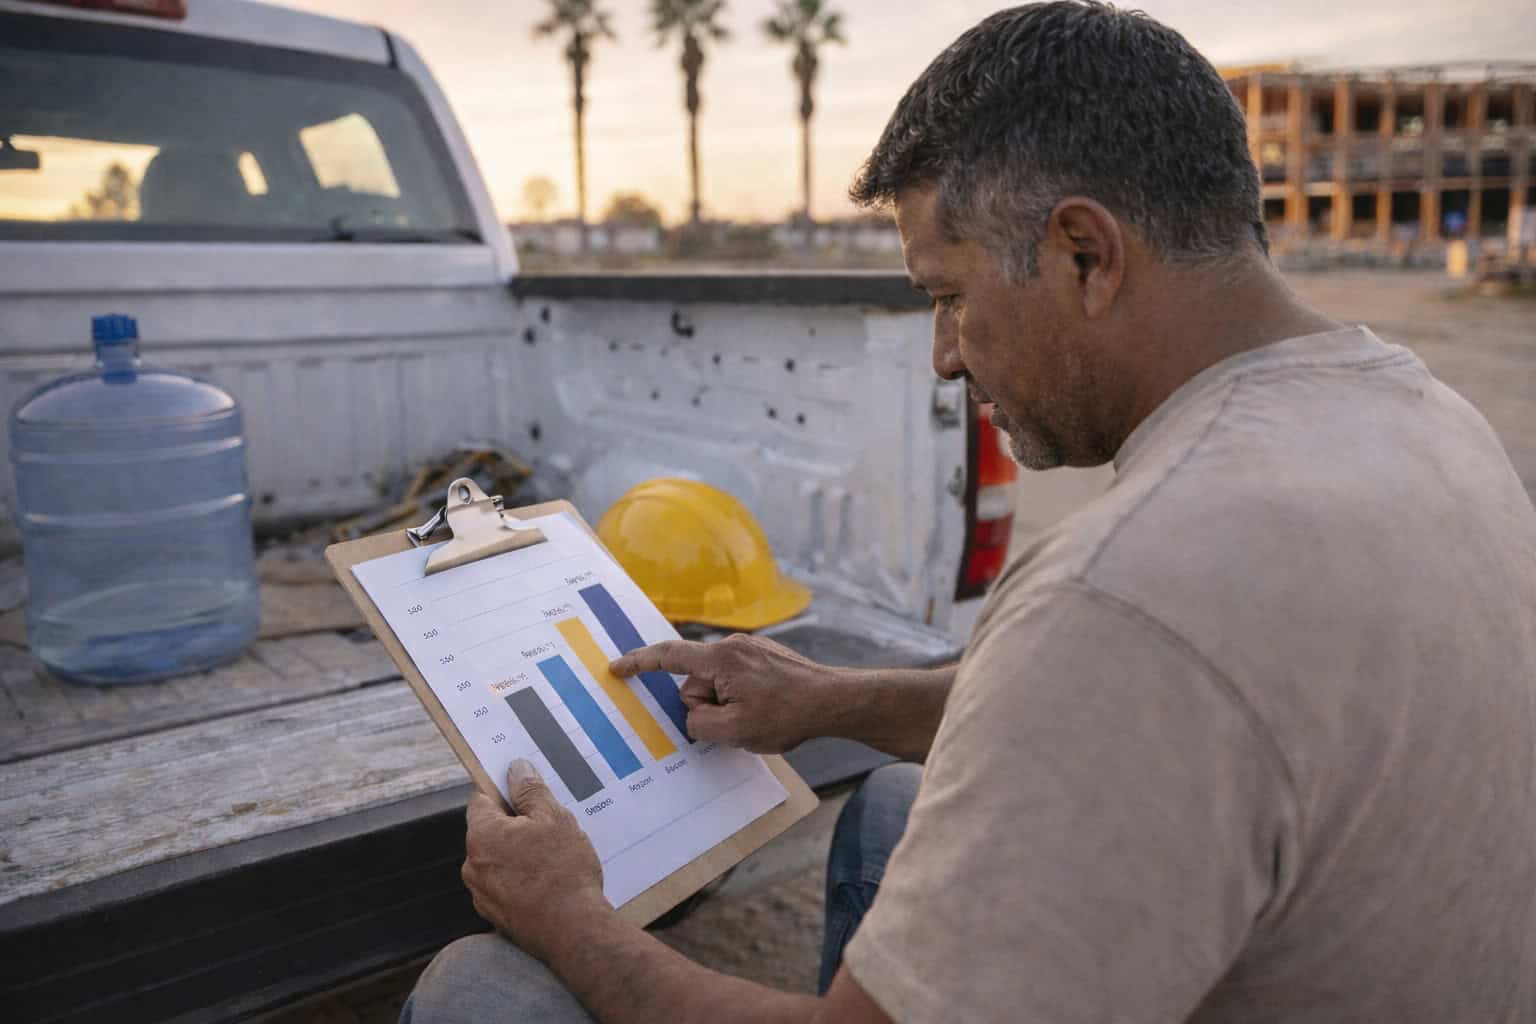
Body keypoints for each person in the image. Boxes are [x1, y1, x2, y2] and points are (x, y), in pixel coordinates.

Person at [404, 3, 1536, 1021]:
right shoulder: (1425, 417)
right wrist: (829, 701)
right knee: (902, 799)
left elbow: (1122, 662)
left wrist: (570, 915)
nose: (946, 358)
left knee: (480, 990)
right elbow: (1133, 704)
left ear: (1085, 253)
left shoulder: (1129, 589)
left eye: (950, 296)